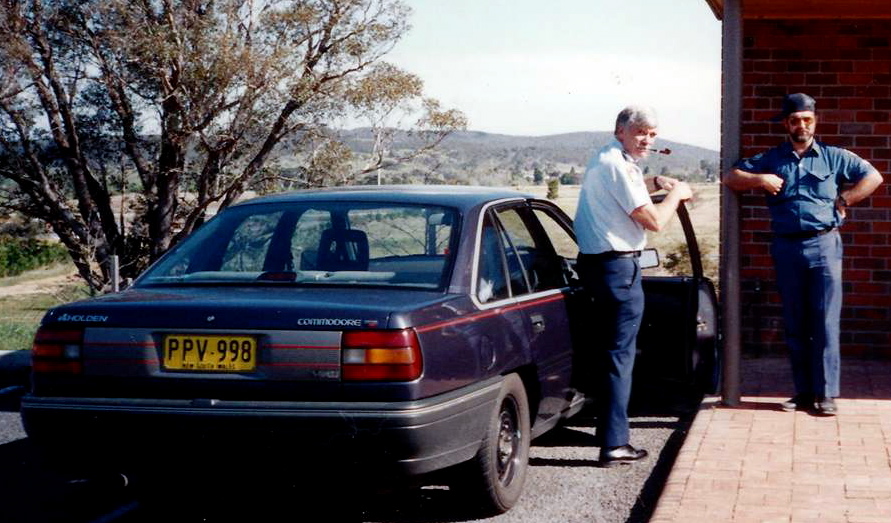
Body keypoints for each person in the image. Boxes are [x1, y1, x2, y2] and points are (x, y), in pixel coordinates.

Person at [724, 92, 883, 416]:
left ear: (815, 122)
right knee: (795, 320)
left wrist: (845, 199)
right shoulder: (773, 158)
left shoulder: (834, 157)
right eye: (795, 120)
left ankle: (826, 394)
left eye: (807, 119)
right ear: (786, 124)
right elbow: (731, 177)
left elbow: (873, 177)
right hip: (787, 247)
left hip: (823, 245)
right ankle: (804, 392)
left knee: (824, 320)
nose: (802, 125)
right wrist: (760, 179)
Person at [574, 105, 692, 467]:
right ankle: (614, 444)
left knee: (608, 352)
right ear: (620, 131)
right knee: (619, 356)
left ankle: (607, 430)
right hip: (618, 269)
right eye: (640, 131)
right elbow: (653, 221)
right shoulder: (619, 165)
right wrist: (678, 194)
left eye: (652, 134)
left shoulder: (608, 159)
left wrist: (655, 183)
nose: (647, 139)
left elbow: (623, 191)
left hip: (597, 266)